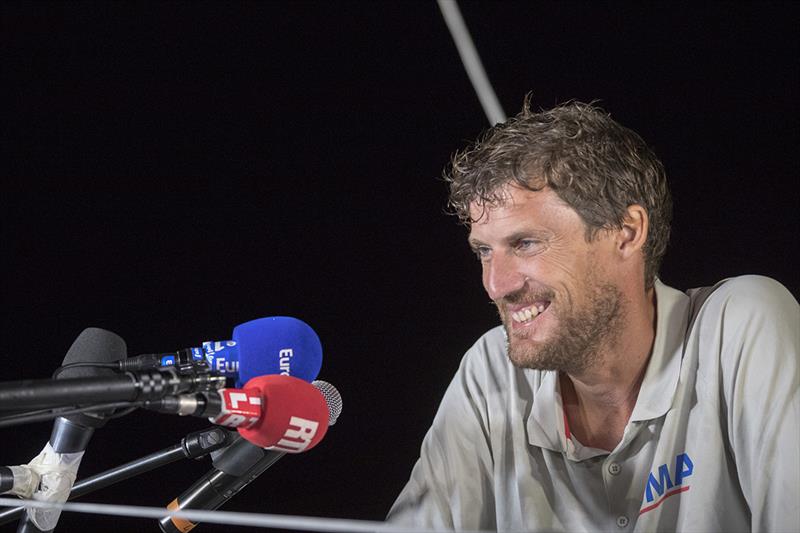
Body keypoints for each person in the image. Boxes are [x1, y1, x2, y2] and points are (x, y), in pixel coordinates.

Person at [387, 100, 799, 532]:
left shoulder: (742, 325)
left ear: (626, 233)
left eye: (525, 243)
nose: (497, 285)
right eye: (484, 251)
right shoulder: (490, 372)